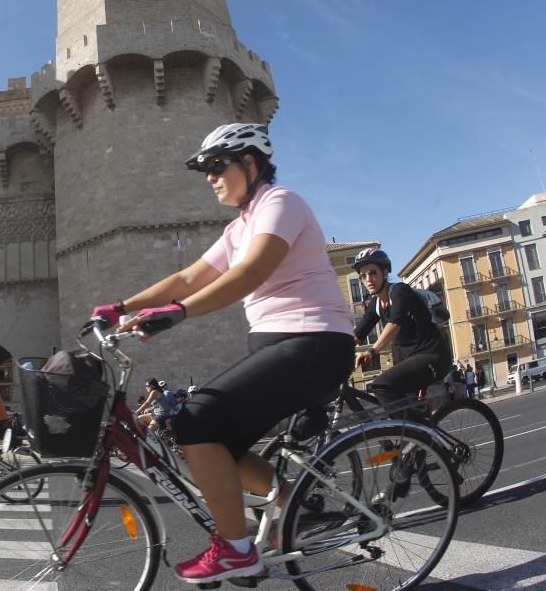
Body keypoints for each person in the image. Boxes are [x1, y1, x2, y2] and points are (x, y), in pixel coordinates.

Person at [91, 123, 355, 584]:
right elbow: (189, 277)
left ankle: (235, 550)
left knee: (196, 420)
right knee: (214, 444)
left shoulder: (280, 203)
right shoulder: (240, 227)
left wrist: (177, 313)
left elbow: (252, 272)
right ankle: (296, 503)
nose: (209, 177)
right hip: (281, 343)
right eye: (205, 170)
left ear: (250, 164)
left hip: (316, 340)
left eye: (217, 166)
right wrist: (121, 307)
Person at [353, 247, 453, 415]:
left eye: (373, 273)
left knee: (381, 385)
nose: (368, 279)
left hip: (433, 357)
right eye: (363, 276)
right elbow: (357, 335)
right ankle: (416, 434)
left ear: (384, 273)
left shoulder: (400, 291)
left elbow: (395, 324)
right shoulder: (376, 305)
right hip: (408, 363)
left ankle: (415, 434)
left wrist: (372, 351)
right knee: (396, 411)